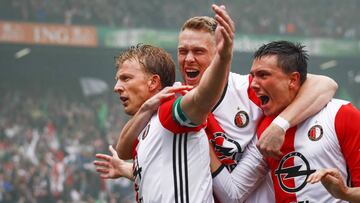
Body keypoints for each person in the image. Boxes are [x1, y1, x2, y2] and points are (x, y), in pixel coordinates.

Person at [114, 11, 337, 203]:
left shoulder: (248, 89)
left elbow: (326, 84)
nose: (188, 59)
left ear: (218, 52)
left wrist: (280, 124)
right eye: (183, 51)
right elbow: (126, 149)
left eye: (198, 51)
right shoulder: (175, 98)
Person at [95, 4, 235, 202]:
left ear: (153, 82)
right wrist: (126, 169)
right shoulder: (149, 121)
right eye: (118, 79)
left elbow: (202, 97)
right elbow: (124, 152)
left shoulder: (170, 110)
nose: (117, 87)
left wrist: (223, 56)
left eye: (126, 78)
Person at [210, 40, 360, 202]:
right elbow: (233, 194)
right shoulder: (266, 131)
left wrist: (345, 193)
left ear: (293, 80)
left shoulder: (341, 114)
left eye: (263, 75)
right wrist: (201, 138)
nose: (253, 84)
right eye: (253, 76)